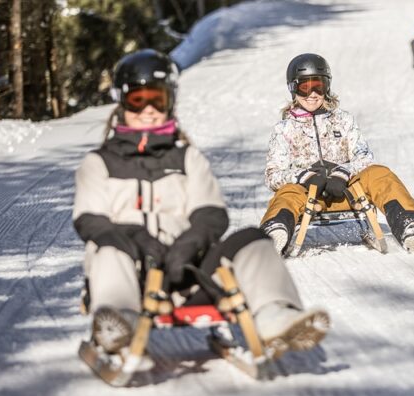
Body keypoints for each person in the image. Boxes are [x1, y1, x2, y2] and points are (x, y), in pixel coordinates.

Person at [73, 49, 328, 359]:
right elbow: (91, 221)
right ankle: (120, 322)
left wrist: (188, 244)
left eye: (158, 99)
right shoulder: (99, 162)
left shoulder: (187, 158)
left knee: (254, 240)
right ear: (122, 102)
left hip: (186, 271)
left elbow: (211, 213)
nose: (149, 110)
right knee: (108, 249)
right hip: (130, 277)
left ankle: (275, 314)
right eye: (139, 100)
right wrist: (136, 239)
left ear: (170, 101)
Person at [261, 53, 414, 255]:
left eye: (318, 86)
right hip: (307, 198)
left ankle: (409, 224)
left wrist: (342, 172)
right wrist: (304, 176)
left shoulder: (344, 120)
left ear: (327, 86)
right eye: (305, 87)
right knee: (286, 192)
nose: (312, 94)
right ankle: (275, 231)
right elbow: (273, 175)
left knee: (379, 173)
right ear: (293, 88)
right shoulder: (284, 129)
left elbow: (364, 157)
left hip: (347, 192)